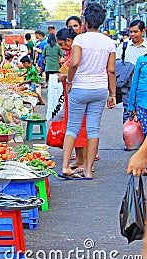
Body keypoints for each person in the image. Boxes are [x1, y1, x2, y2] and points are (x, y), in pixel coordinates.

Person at [62, 3, 116, 180]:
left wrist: (69, 80)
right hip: (100, 89)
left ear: (84, 20)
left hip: (79, 87)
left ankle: (65, 167)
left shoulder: (80, 40)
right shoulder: (109, 42)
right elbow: (111, 71)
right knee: (93, 129)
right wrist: (112, 94)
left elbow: (74, 63)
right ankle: (88, 169)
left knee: (73, 127)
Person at [56, 27, 89, 176]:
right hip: (71, 94)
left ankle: (84, 162)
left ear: (69, 40)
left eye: (62, 44)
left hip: (77, 93)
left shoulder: (76, 52)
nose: (62, 47)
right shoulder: (70, 53)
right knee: (74, 126)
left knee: (80, 127)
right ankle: (79, 159)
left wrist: (64, 77)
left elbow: (68, 71)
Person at [116, 20, 147, 124]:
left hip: (143, 86)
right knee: (128, 112)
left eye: (136, 32)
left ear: (143, 31)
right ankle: (129, 138)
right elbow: (116, 63)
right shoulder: (124, 47)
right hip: (128, 85)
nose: (133, 34)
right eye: (131, 32)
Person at [128, 54, 147, 136]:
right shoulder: (141, 59)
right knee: (144, 131)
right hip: (141, 102)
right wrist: (131, 105)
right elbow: (134, 83)